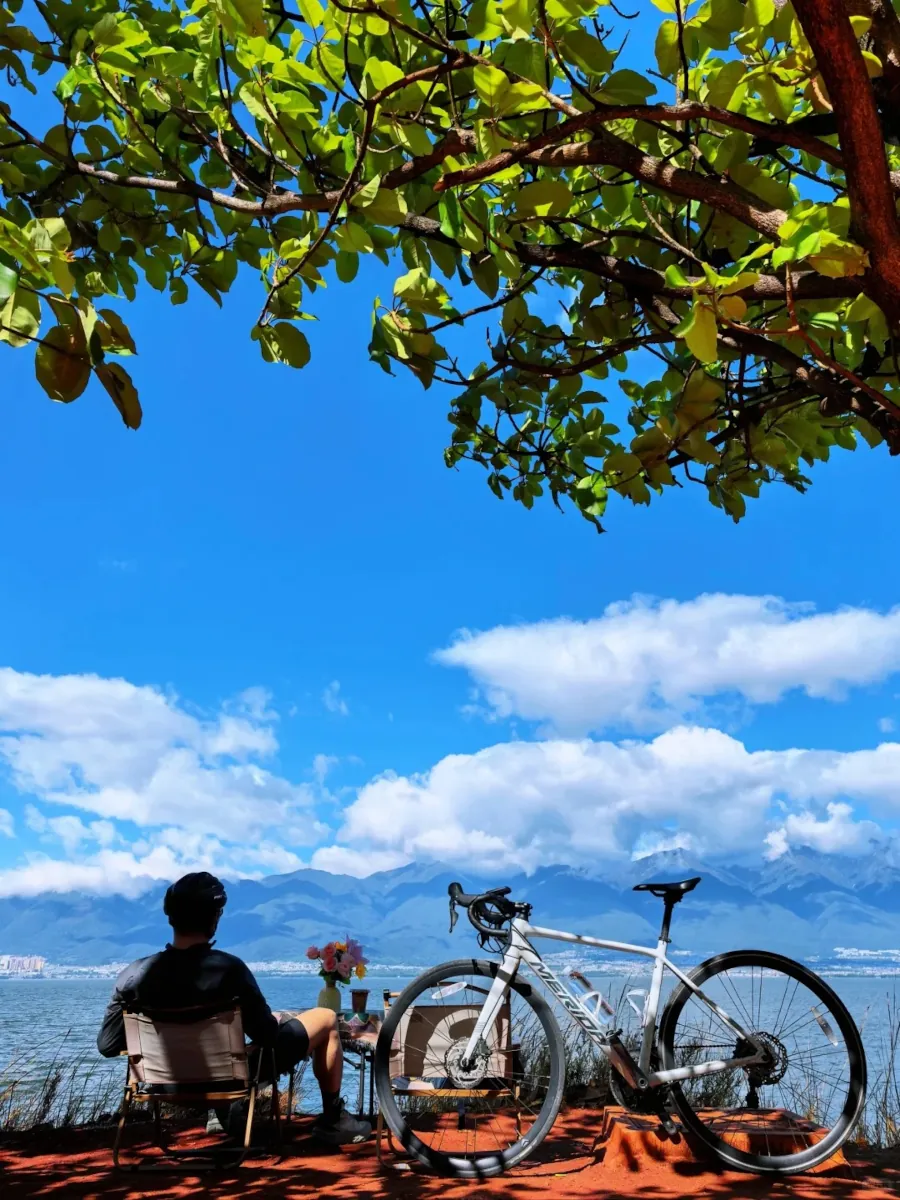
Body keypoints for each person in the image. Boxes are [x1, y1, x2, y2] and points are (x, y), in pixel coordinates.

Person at [97, 871, 371, 1145]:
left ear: (170, 917)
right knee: (324, 1018)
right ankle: (333, 1120)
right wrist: (271, 1023)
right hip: (227, 1082)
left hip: (164, 1085)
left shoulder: (132, 977)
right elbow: (267, 1036)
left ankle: (223, 1114)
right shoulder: (229, 971)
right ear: (214, 919)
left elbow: (107, 1045)